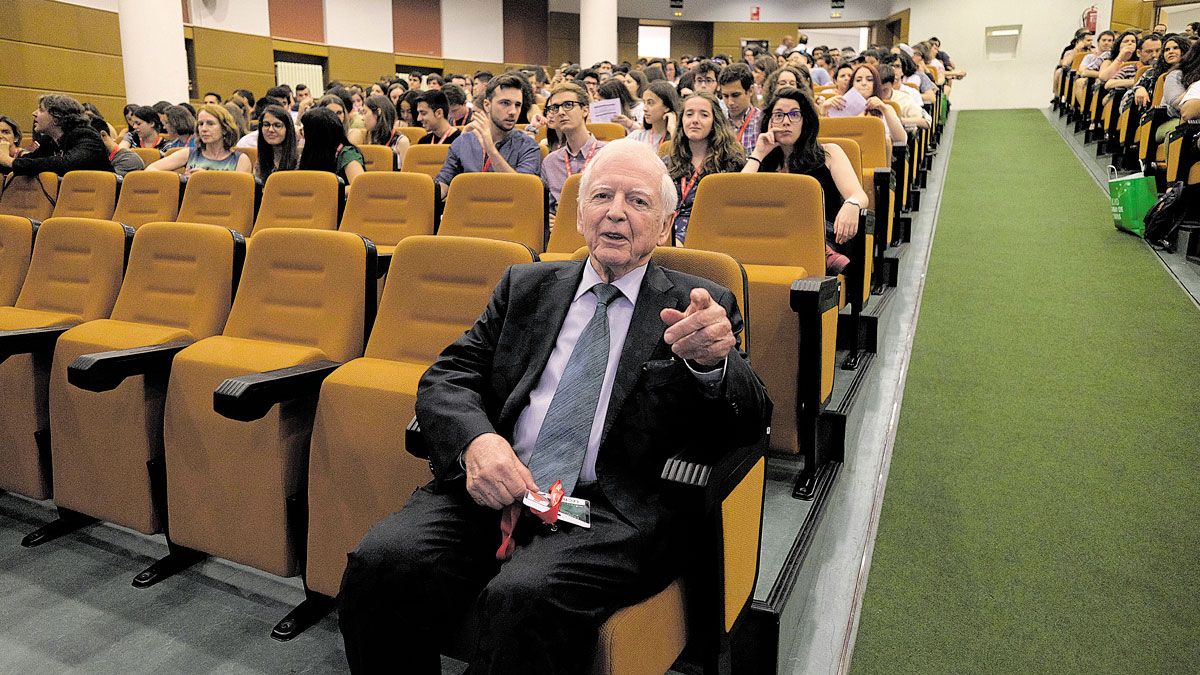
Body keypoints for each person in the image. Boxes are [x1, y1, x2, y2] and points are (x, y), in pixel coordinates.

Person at [337, 138, 771, 674]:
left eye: (637, 201)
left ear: (664, 225)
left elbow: (752, 419)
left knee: (521, 598)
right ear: (580, 214)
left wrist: (714, 365)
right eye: (602, 197)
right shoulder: (527, 286)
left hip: (608, 510)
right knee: (381, 562)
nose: (616, 212)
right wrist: (478, 441)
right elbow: (448, 376)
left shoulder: (696, 306)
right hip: (501, 484)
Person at [742, 87, 867, 275]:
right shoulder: (762, 160)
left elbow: (858, 195)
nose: (785, 122)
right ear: (769, 122)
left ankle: (824, 254)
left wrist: (852, 204)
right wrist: (758, 153)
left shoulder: (829, 153)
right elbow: (737, 199)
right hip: (769, 238)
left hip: (819, 232)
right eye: (778, 115)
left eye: (794, 115)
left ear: (805, 121)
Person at [434, 73, 542, 200]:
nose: (513, 111)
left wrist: (490, 148)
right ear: (487, 105)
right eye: (505, 103)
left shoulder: (528, 145)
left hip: (508, 216)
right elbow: (443, 183)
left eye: (517, 105)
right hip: (469, 215)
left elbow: (521, 191)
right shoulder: (464, 141)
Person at [666, 92, 746, 244]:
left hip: (711, 238)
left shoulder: (731, 163)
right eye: (689, 114)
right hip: (667, 235)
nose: (695, 120)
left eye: (703, 115)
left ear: (715, 122)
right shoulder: (668, 162)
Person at [0, 94, 112, 175]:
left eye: (40, 110)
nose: (34, 113)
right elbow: (31, 161)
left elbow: (66, 164)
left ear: (57, 117)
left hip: (100, 199)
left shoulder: (86, 135)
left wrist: (11, 161)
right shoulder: (49, 141)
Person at [541, 82, 605, 215]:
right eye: (555, 108)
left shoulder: (607, 154)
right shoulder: (550, 162)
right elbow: (546, 209)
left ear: (585, 110)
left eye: (568, 105)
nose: (561, 112)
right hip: (560, 232)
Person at [146, 104, 250, 175]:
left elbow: (239, 194)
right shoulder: (188, 154)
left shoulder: (240, 159)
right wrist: (180, 179)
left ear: (224, 129)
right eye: (200, 124)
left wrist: (205, 178)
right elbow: (150, 170)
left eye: (210, 124)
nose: (204, 129)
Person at [298, 107, 365, 184]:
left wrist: (330, 190)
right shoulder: (314, 152)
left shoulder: (347, 153)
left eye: (304, 129)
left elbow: (360, 187)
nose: (301, 133)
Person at [1122, 34, 1185, 114]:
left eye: (1176, 48)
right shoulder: (1151, 73)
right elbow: (1124, 103)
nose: (1171, 52)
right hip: (1155, 117)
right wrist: (1138, 89)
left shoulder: (1193, 72)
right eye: (1167, 49)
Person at [350, 95, 410, 169]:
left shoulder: (401, 141)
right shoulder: (363, 138)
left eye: (365, 112)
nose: (362, 118)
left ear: (378, 112)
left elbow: (407, 174)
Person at [718, 63, 762, 154]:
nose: (730, 102)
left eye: (735, 95)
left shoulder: (762, 121)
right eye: (725, 96)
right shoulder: (718, 123)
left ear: (750, 91)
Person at [627, 80, 679, 151]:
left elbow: (682, 156)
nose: (644, 108)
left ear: (667, 107)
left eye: (650, 103)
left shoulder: (679, 136)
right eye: (644, 102)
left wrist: (672, 129)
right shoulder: (637, 136)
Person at [254, 103, 299, 182]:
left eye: (277, 125)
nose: (270, 130)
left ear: (288, 129)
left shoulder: (299, 162)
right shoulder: (260, 161)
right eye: (266, 125)